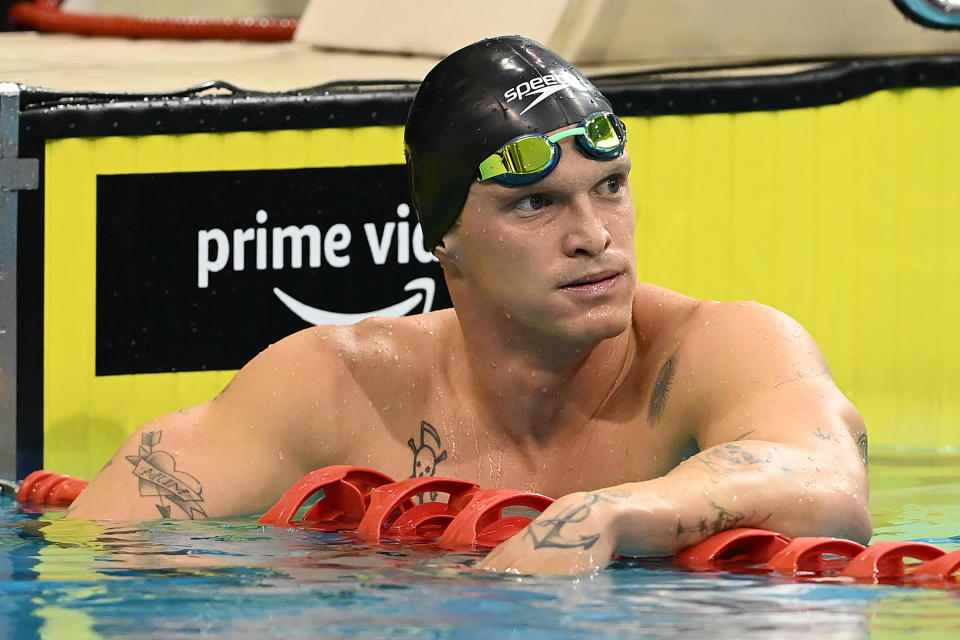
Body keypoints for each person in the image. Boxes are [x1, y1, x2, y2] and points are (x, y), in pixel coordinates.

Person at [66, 36, 872, 574]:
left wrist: (611, 514)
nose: (594, 236)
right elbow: (96, 545)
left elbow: (828, 481)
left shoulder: (719, 348)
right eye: (535, 204)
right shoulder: (339, 389)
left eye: (611, 187)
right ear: (444, 236)